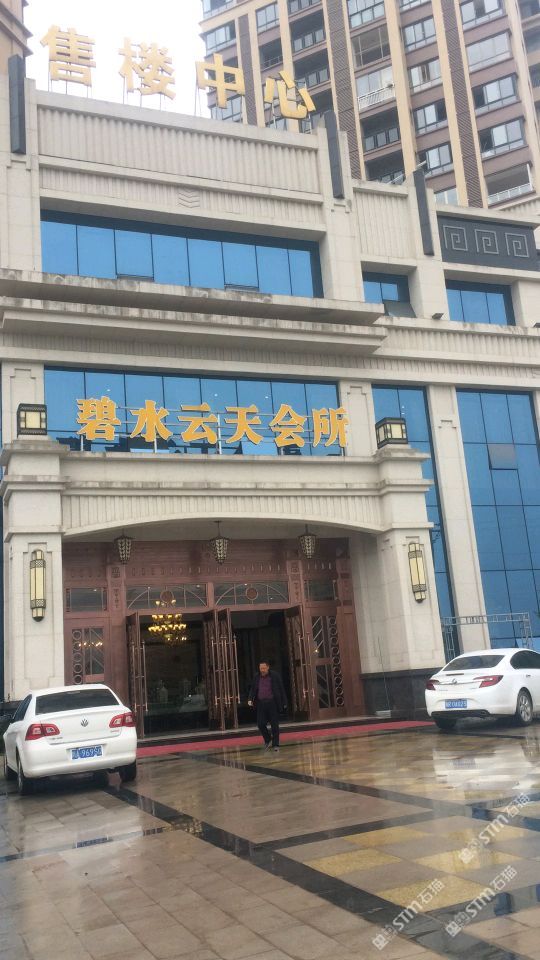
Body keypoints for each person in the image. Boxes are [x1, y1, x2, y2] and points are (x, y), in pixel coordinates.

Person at [248, 660, 287, 752]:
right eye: (261, 668)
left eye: (264, 668)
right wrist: (250, 699)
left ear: (268, 667)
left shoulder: (275, 676)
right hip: (261, 703)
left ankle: (276, 744)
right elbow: (253, 689)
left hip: (272, 703)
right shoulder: (256, 677)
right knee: (260, 724)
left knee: (274, 725)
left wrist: (284, 702)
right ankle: (268, 739)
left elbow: (281, 689)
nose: (262, 670)